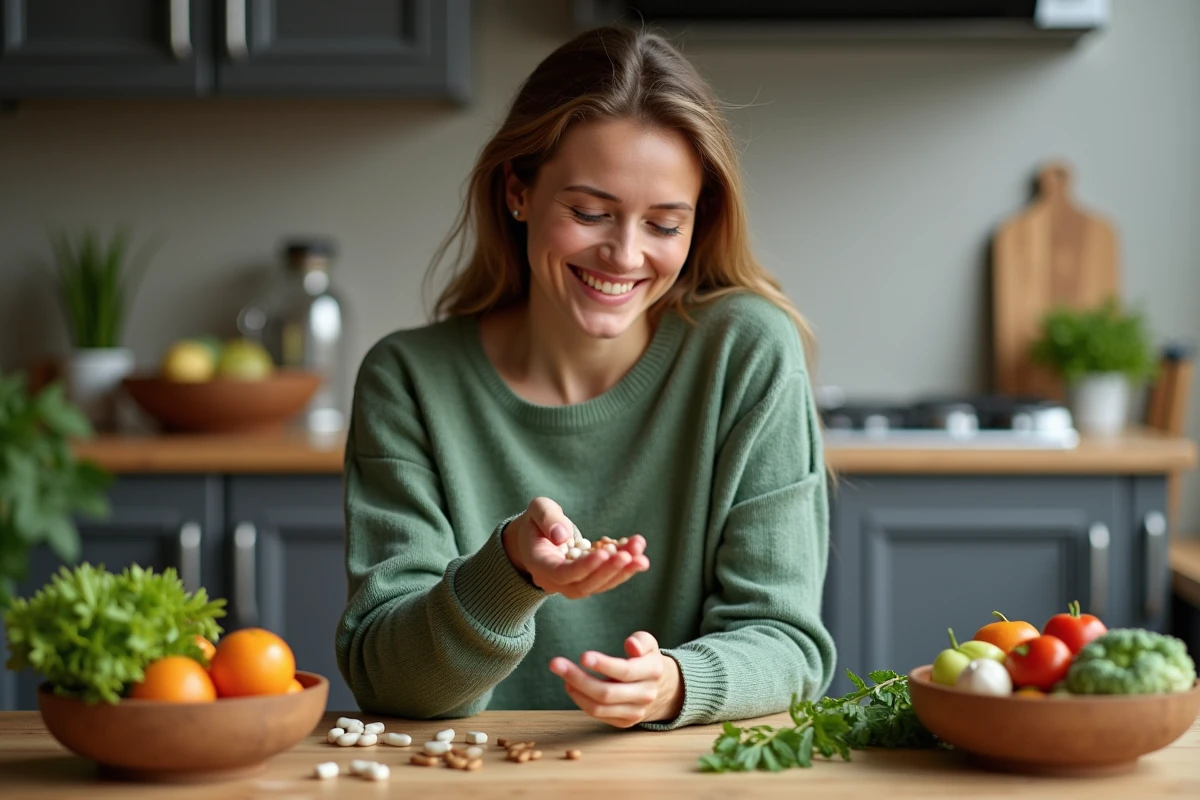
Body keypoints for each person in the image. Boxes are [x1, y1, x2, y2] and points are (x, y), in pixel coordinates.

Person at [335, 25, 836, 730]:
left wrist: (675, 684)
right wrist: (510, 571)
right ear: (518, 191)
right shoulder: (409, 380)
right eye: (591, 212)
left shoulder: (746, 350)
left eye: (664, 225)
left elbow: (788, 643)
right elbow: (391, 684)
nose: (624, 254)